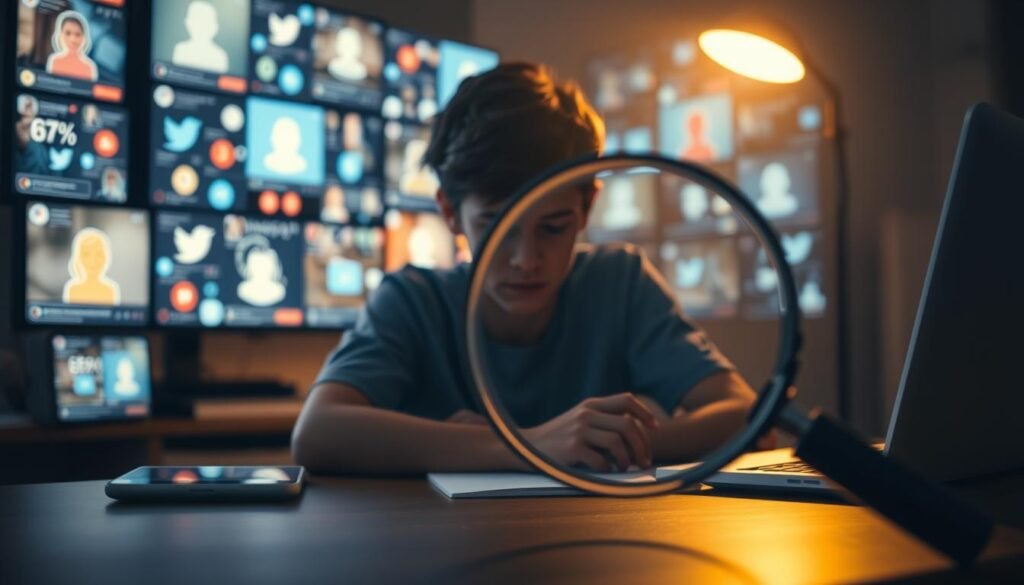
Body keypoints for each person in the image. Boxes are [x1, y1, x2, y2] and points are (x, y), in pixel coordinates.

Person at [292, 63, 768, 475]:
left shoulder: (619, 283)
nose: (526, 259)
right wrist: (535, 444)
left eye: (554, 227)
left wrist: (598, 444)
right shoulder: (413, 299)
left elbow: (742, 410)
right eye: (497, 228)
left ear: (586, 209)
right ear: (451, 213)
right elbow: (318, 432)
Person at [63, 227, 121, 305]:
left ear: (105, 257)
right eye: (86, 254)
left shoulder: (110, 290)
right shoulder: (73, 290)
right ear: (78, 258)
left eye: (98, 254)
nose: (92, 261)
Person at [46, 11, 99, 82]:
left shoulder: (89, 67)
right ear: (61, 34)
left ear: (84, 37)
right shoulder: (54, 60)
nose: (72, 40)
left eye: (78, 34)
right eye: (68, 33)